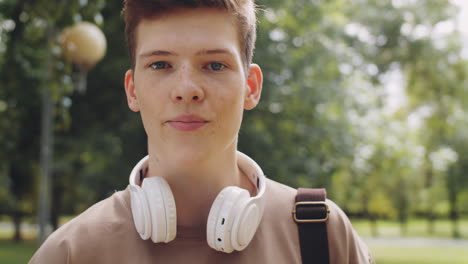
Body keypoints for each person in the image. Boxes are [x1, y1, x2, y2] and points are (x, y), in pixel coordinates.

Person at [29, 0, 373, 263]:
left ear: (251, 87)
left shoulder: (321, 235)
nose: (187, 89)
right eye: (160, 64)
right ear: (133, 90)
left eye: (214, 65)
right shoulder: (73, 251)